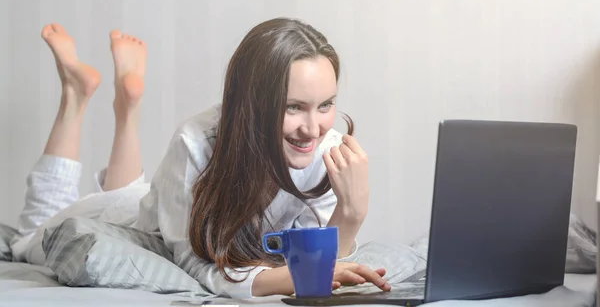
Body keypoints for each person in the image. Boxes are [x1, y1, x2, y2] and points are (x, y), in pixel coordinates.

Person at [11, 18, 391, 299]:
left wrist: (351, 214)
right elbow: (193, 262)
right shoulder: (195, 143)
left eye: (325, 105)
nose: (313, 128)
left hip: (157, 200)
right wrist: (273, 280)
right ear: (252, 105)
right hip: (145, 221)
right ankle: (74, 95)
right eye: (293, 107)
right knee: (28, 235)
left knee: (129, 190)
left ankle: (126, 107)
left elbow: (322, 269)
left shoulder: (331, 150)